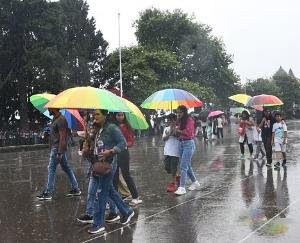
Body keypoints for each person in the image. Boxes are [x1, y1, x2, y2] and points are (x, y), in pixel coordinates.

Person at [87, 109, 134, 234]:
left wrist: (111, 151)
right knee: (110, 191)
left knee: (100, 193)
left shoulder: (112, 128)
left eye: (97, 114)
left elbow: (123, 143)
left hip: (108, 164)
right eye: (94, 114)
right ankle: (127, 211)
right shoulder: (99, 129)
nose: (94, 116)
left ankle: (98, 224)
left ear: (105, 115)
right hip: (98, 164)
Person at [37, 108, 81, 200]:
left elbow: (63, 137)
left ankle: (48, 192)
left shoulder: (61, 120)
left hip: (57, 149)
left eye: (49, 108)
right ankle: (76, 188)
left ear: (54, 109)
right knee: (66, 168)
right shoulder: (55, 119)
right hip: (56, 147)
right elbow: (57, 134)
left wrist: (60, 152)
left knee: (51, 168)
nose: (48, 109)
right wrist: (47, 135)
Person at [111, 112, 142, 206]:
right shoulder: (112, 126)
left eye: (122, 115)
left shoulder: (126, 127)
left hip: (123, 153)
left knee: (126, 175)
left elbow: (130, 141)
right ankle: (115, 200)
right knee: (114, 177)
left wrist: (123, 145)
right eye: (118, 115)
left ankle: (135, 197)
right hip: (114, 153)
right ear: (115, 116)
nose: (120, 117)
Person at [174, 105, 200, 195]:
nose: (178, 114)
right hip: (181, 144)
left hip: (188, 144)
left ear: (184, 112)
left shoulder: (189, 120)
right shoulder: (179, 121)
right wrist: (175, 130)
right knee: (187, 166)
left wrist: (178, 130)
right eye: (177, 112)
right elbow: (177, 134)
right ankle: (195, 182)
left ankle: (182, 187)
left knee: (183, 166)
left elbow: (189, 133)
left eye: (180, 112)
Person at [162, 113, 180, 193]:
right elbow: (164, 139)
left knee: (173, 168)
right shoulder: (166, 129)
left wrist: (174, 131)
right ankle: (177, 177)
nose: (171, 122)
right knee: (167, 167)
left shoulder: (178, 128)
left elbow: (178, 136)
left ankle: (173, 184)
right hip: (167, 151)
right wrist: (169, 134)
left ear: (175, 120)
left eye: (173, 120)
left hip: (175, 151)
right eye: (169, 121)